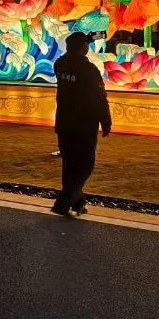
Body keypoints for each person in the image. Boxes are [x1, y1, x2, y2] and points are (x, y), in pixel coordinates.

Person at [51, 31, 111, 217]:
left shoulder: (59, 65)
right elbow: (100, 97)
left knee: (70, 165)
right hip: (84, 125)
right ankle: (63, 203)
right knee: (85, 165)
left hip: (64, 123)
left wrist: (83, 39)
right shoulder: (89, 70)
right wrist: (106, 120)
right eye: (86, 45)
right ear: (83, 48)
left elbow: (70, 54)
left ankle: (78, 203)